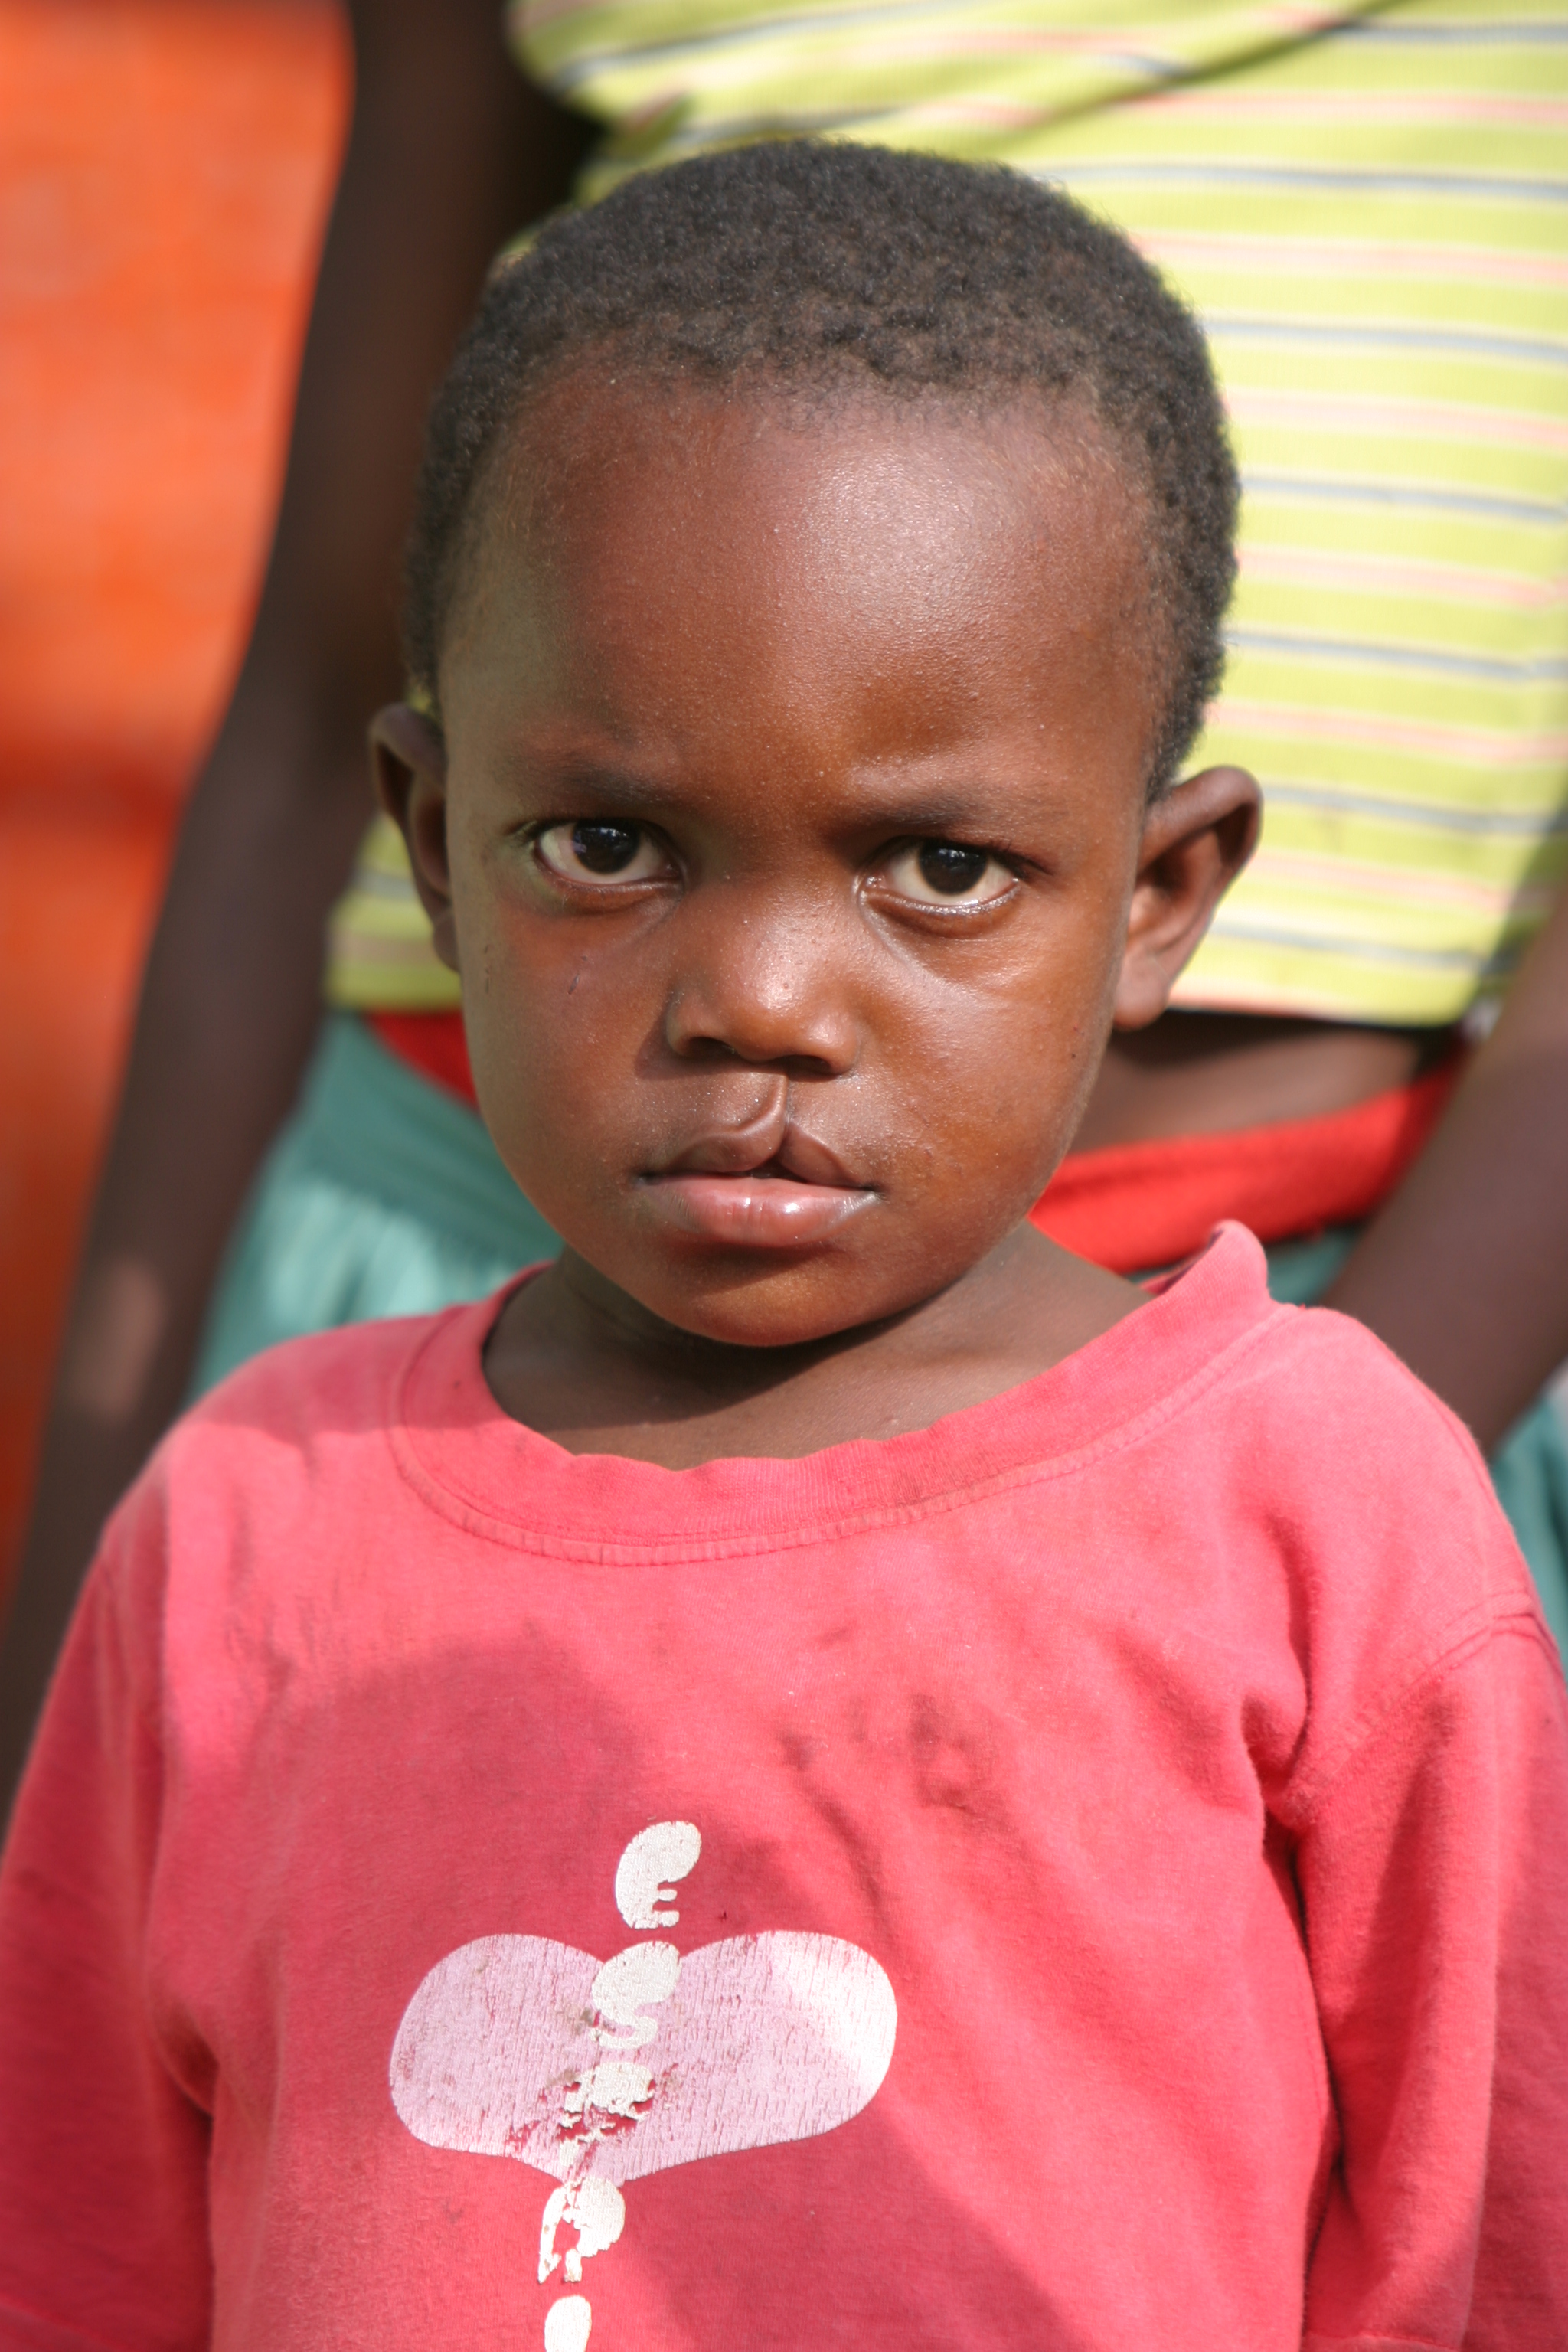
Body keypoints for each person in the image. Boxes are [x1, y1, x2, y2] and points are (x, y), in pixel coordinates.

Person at [1, 145, 1563, 2350]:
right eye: (612, 844)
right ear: (437, 850)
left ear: (1158, 903)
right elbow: (86, 2251)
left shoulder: (1325, 1519)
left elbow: (1477, 2253)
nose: (762, 1001)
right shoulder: (248, 1525)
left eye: (936, 867)